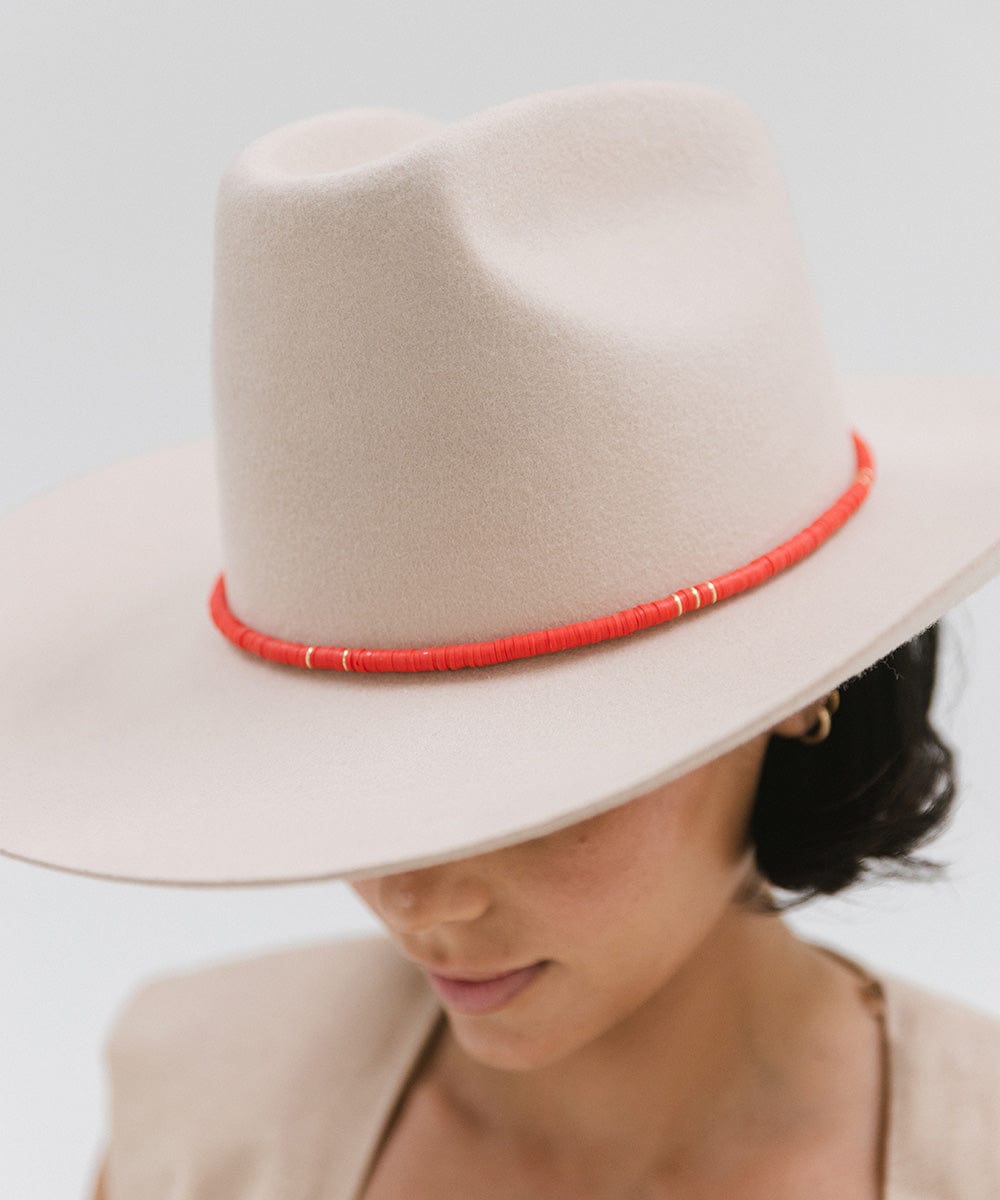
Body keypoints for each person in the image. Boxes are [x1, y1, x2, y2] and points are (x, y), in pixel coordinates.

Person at [2, 80, 998, 1199]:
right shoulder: (204, 1111)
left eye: (538, 792)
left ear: (798, 690)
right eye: (355, 774)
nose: (420, 900)